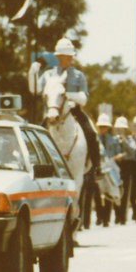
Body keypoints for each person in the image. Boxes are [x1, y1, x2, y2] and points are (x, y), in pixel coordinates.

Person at [29, 37, 101, 174]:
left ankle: (96, 166)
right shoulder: (48, 74)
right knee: (38, 135)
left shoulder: (78, 75)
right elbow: (35, 90)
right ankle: (38, 165)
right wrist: (32, 73)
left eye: (69, 56)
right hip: (53, 112)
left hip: (74, 111)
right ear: (58, 57)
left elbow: (84, 98)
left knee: (91, 133)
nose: (66, 59)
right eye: (63, 56)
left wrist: (67, 95)